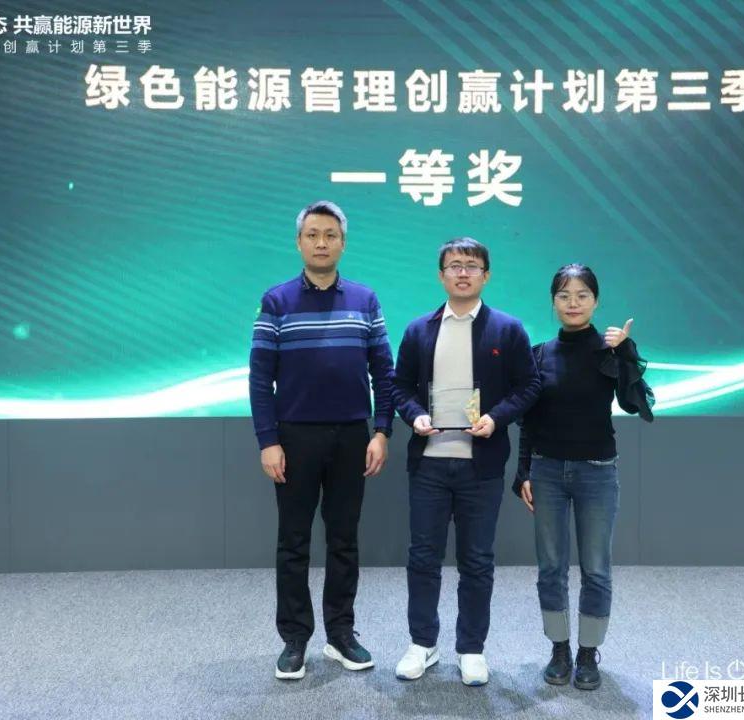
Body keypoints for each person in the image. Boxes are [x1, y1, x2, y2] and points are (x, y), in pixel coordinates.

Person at [248, 200, 395, 680]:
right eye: (312, 235)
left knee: (344, 540)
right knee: (293, 542)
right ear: (299, 242)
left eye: (330, 235)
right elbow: (259, 378)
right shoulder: (276, 301)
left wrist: (381, 430)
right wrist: (268, 440)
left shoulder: (365, 300)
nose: (321, 243)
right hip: (294, 438)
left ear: (343, 243)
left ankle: (340, 633)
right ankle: (294, 639)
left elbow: (384, 372)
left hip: (352, 436)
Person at [391, 237, 540, 686]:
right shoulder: (419, 330)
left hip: (481, 466)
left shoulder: (507, 329)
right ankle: (422, 643)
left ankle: (472, 648)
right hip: (429, 465)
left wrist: (496, 418)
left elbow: (529, 386)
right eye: (454, 265)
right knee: (423, 557)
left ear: (485, 275)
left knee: (477, 560)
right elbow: (399, 387)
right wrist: (415, 415)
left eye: (471, 266)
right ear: (441, 275)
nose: (462, 272)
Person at [513, 263, 654, 689]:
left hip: (597, 473)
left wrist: (626, 353)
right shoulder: (539, 354)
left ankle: (588, 652)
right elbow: (529, 421)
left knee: (596, 569)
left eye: (582, 295)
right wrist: (523, 471)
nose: (573, 303)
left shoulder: (610, 351)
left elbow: (637, 406)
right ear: (553, 302)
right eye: (564, 296)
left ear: (595, 301)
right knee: (550, 568)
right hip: (547, 472)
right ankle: (559, 649)